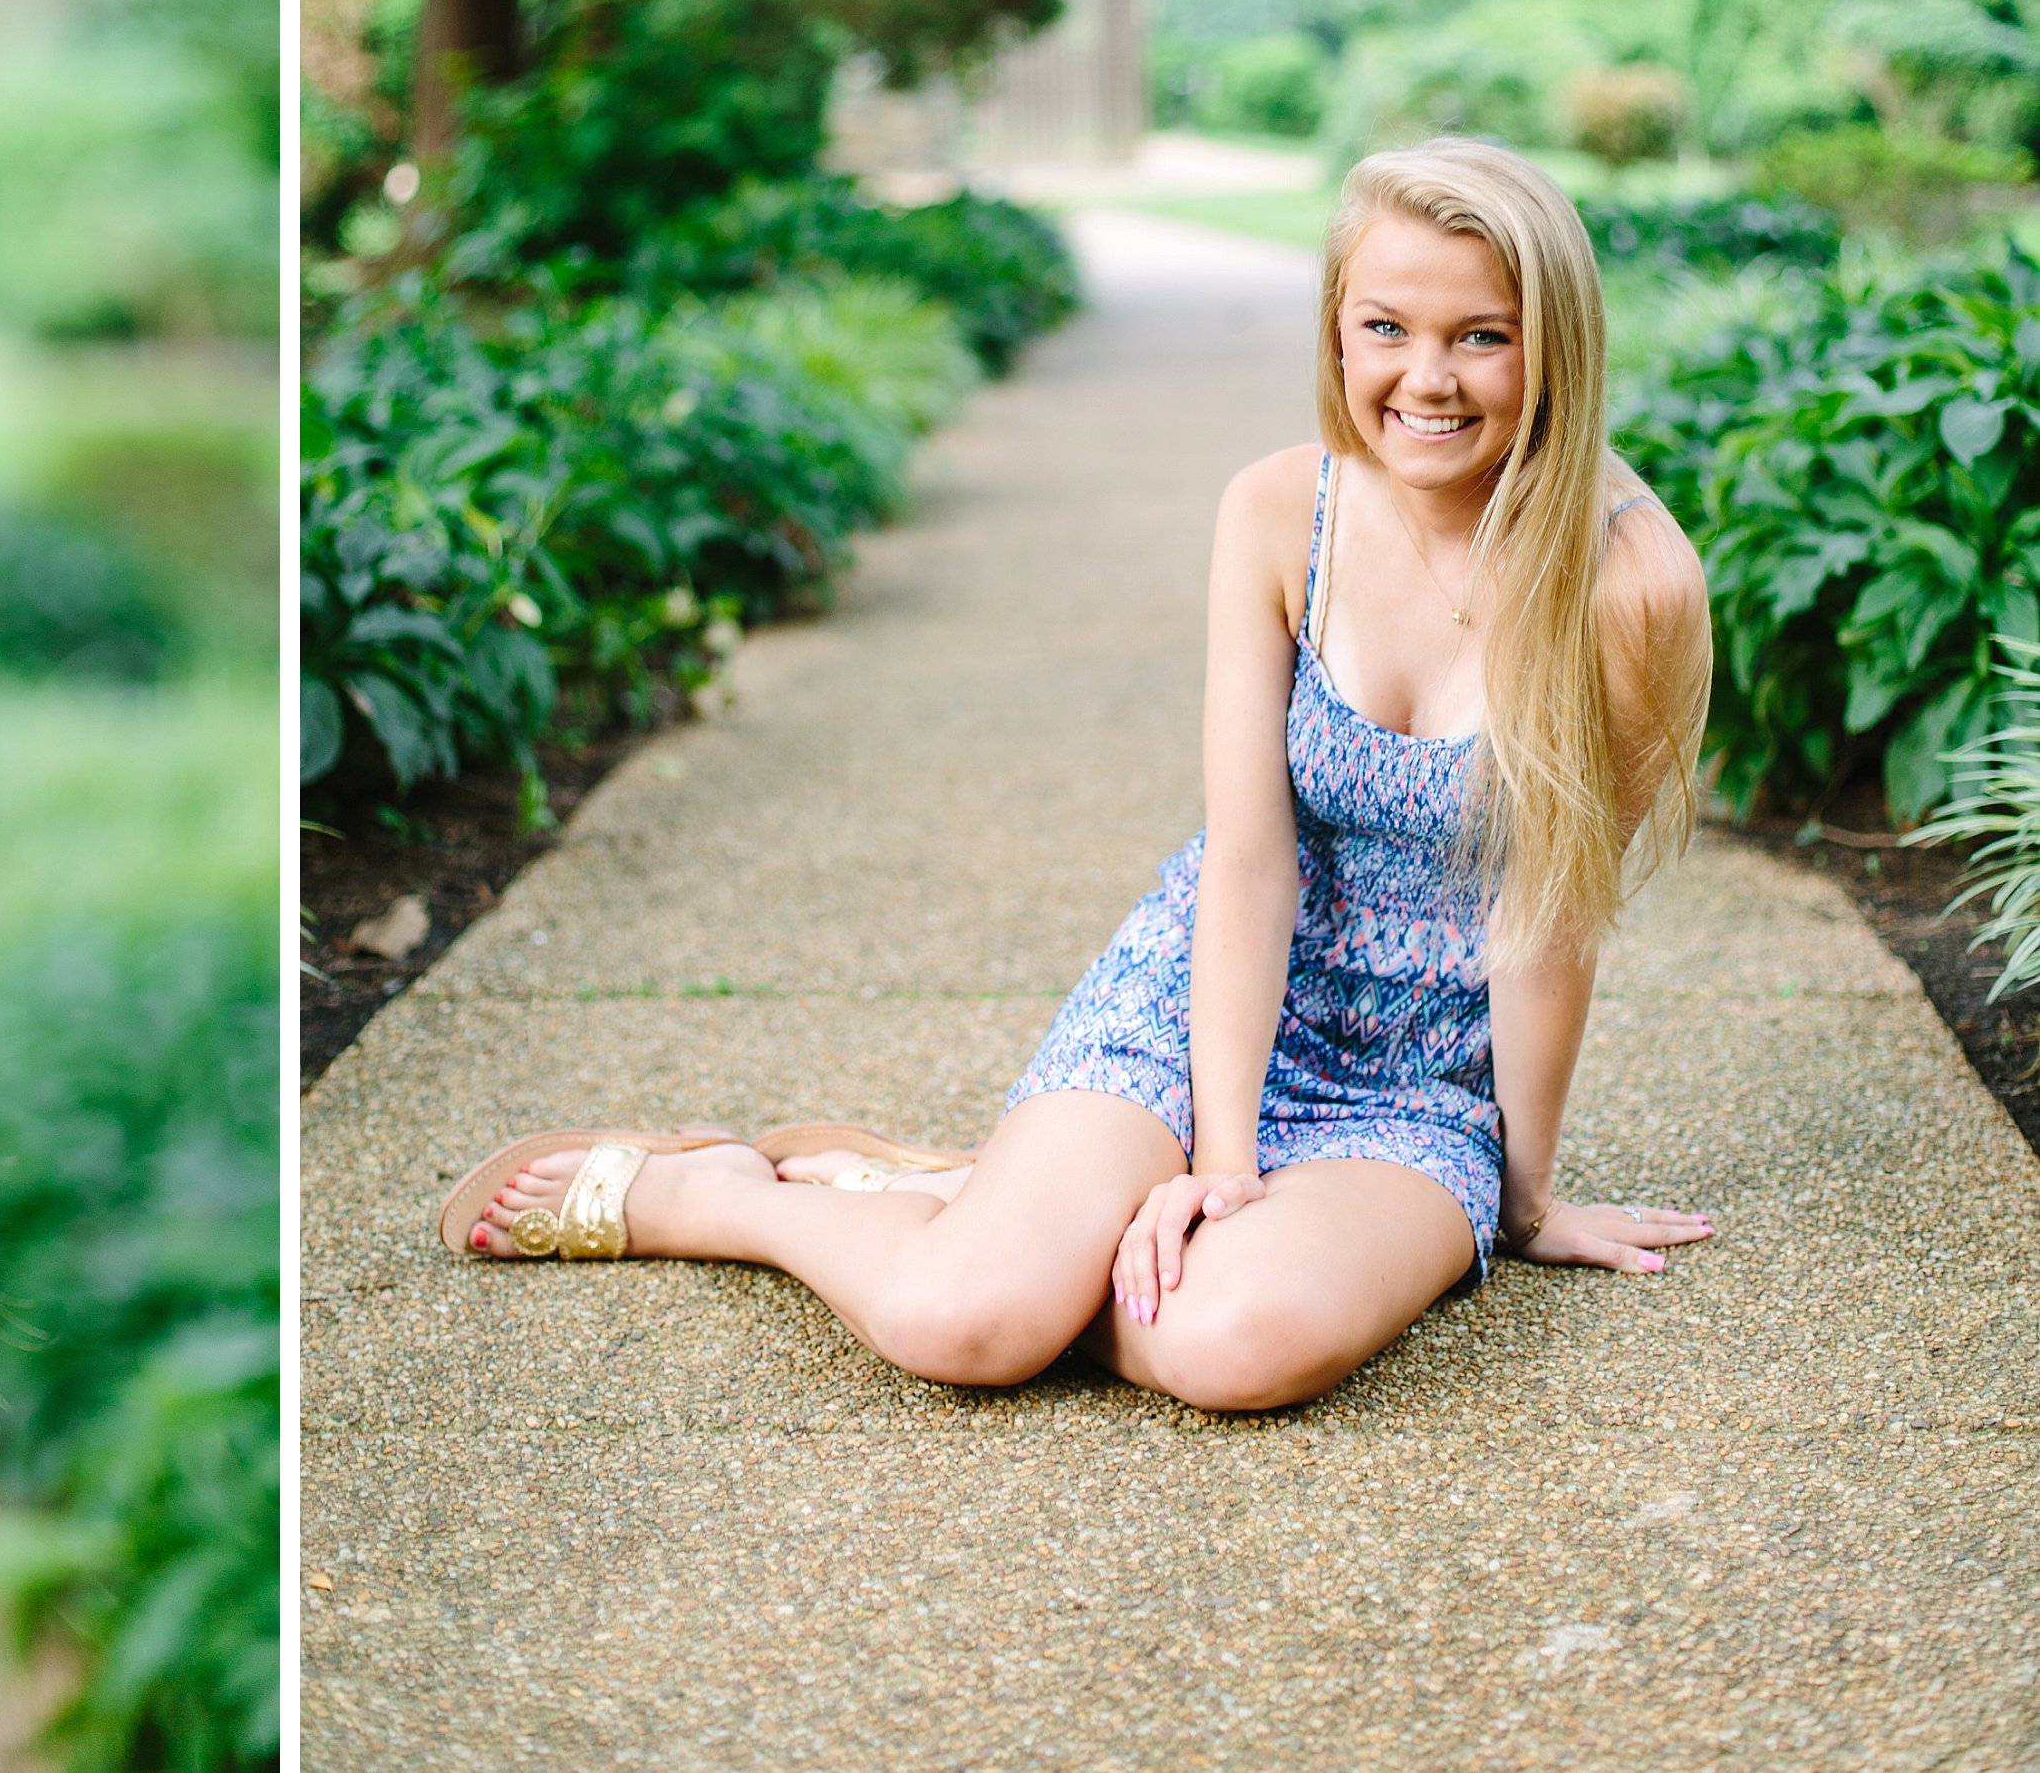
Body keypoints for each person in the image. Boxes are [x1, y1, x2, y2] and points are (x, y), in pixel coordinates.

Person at [439, 139, 1717, 1411]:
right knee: (966, 1321)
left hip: (1413, 1077)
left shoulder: (1624, 583)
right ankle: (720, 1197)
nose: (1423, 379)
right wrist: (1219, 1164)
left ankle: (961, 1200)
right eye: (1384, 326)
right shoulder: (1281, 513)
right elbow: (1249, 858)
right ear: (1335, 332)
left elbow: (1544, 911)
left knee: (1233, 1349)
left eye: (1480, 337)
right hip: (1198, 996)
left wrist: (1525, 1190)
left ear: (1554, 345)